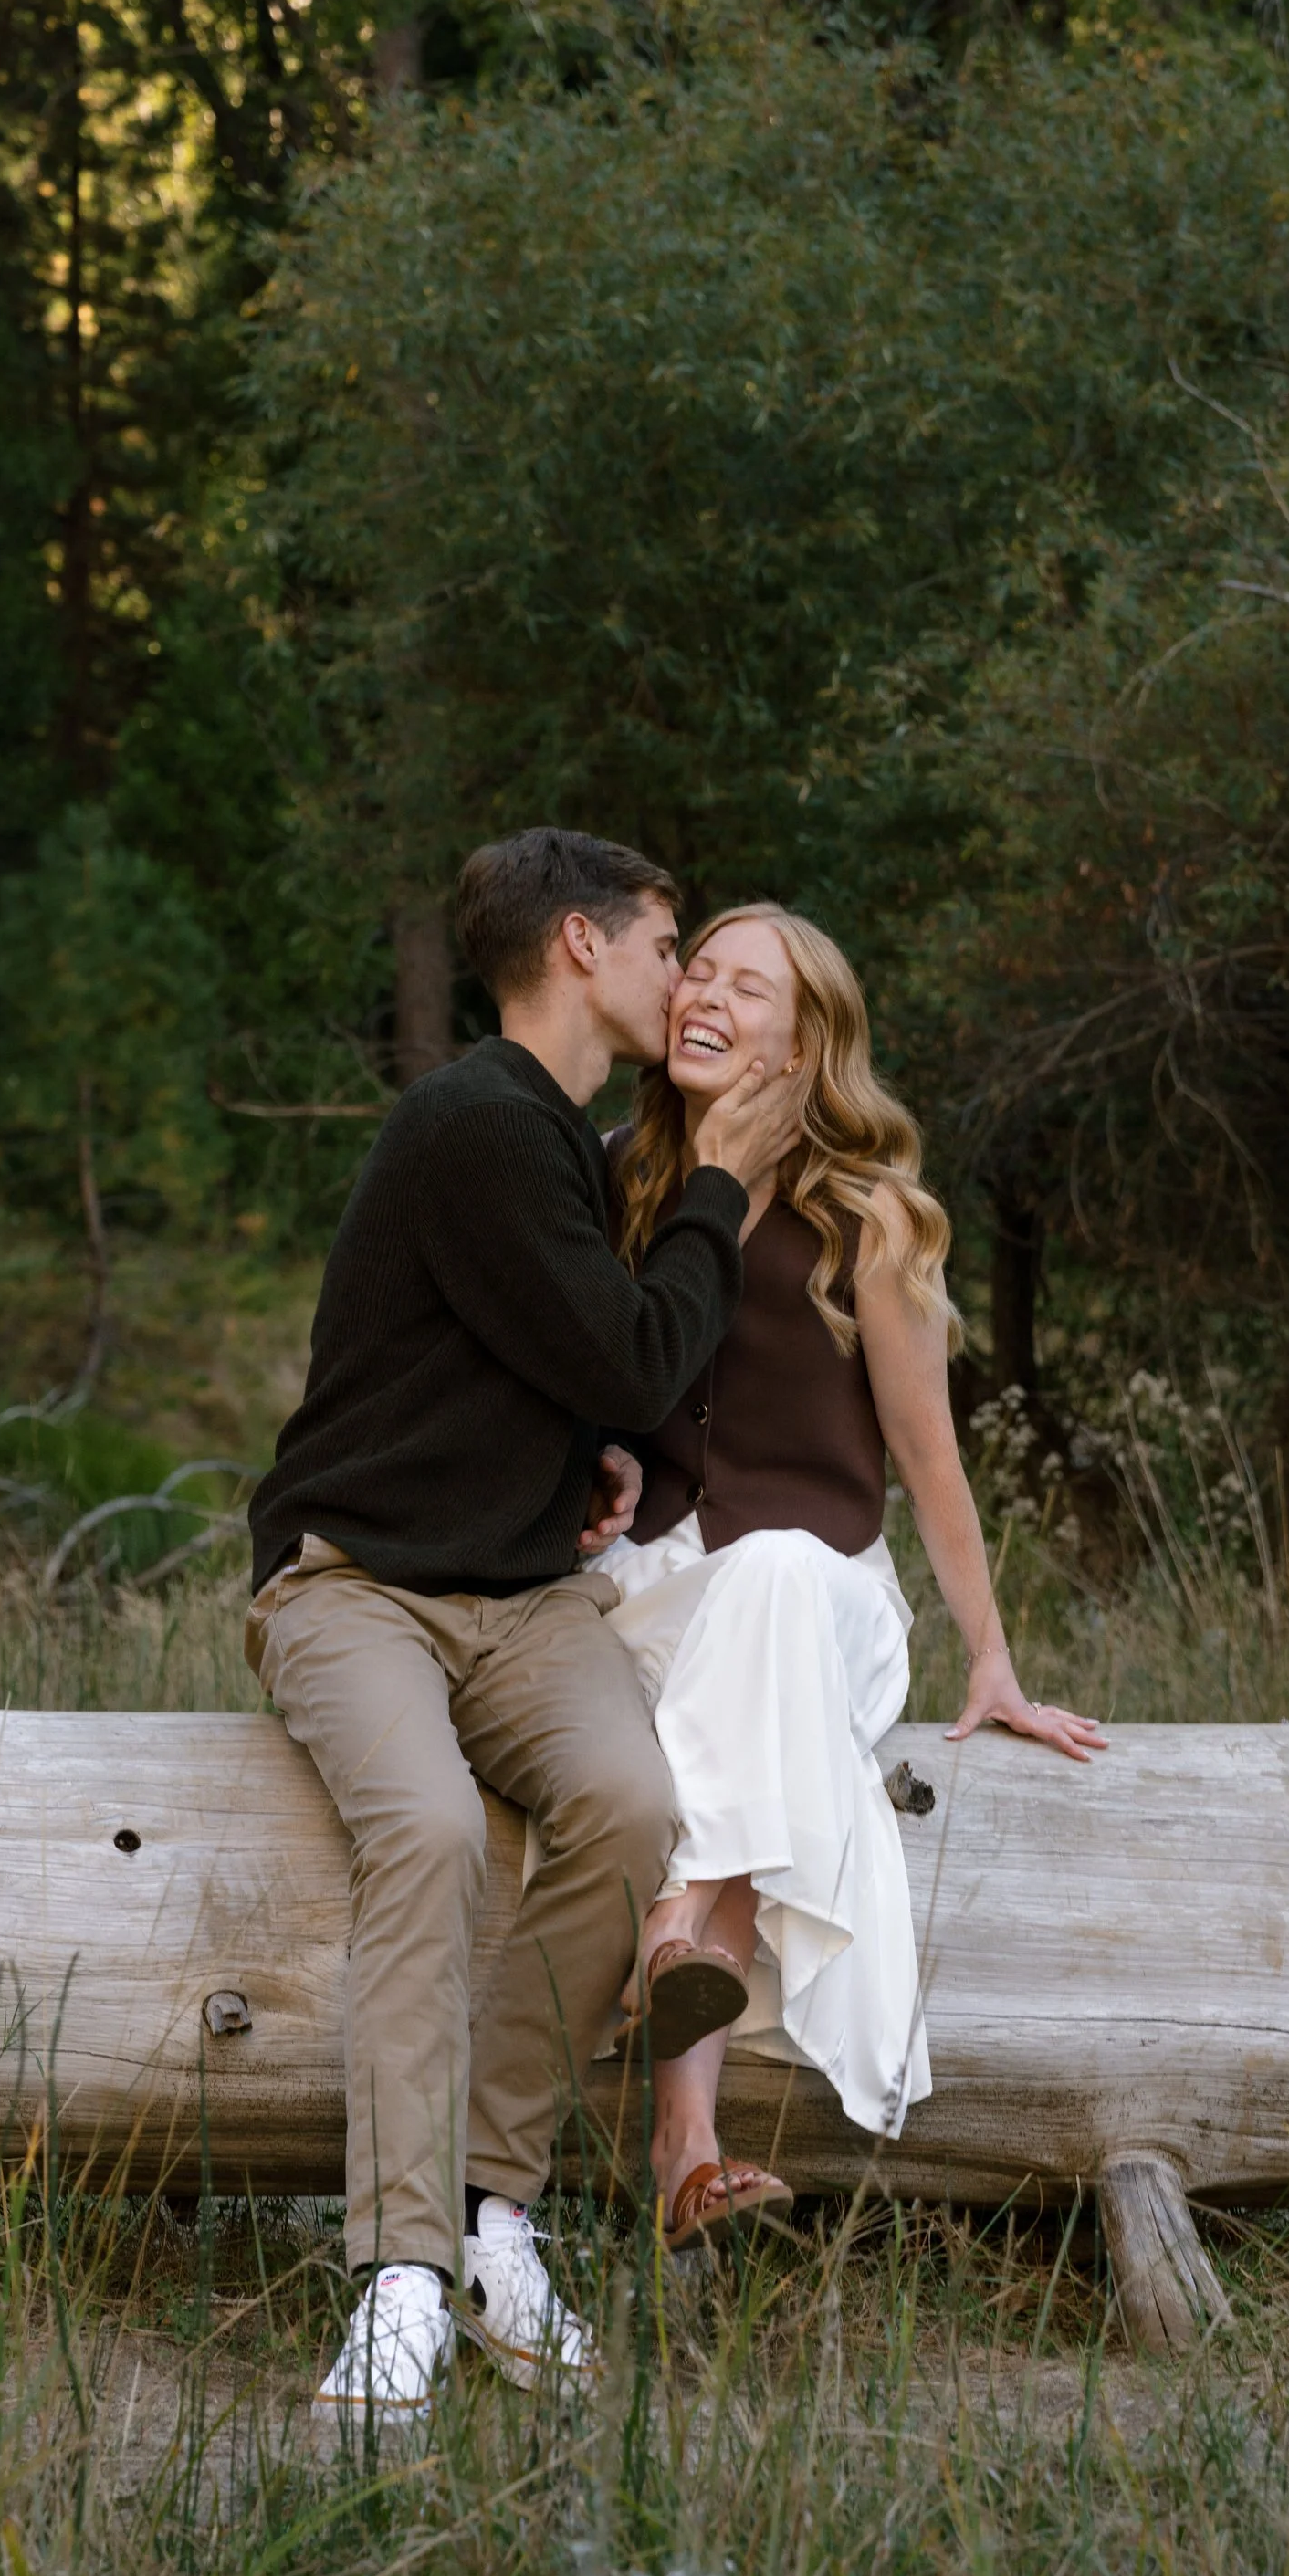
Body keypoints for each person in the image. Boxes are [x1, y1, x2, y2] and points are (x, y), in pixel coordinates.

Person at [246, 830, 804, 2422]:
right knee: (423, 1827)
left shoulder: (544, 1141)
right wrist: (720, 1186)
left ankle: (499, 2216)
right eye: (665, 941)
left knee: (631, 1804)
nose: (681, 973)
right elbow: (632, 1353)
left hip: (519, 1596)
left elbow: (542, 1359)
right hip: (354, 1582)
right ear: (581, 942)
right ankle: (399, 2275)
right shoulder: (478, 1119)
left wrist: (589, 1455)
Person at [592, 904, 1105, 2250]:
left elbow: (931, 1464)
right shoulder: (619, 1178)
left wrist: (990, 1659)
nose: (704, 991)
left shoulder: (867, 1218)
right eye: (694, 966)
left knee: (770, 1591)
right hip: (662, 1590)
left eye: (745, 985)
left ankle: (675, 1932)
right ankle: (689, 2152)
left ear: (808, 1038)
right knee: (755, 1675)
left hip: (826, 1591)